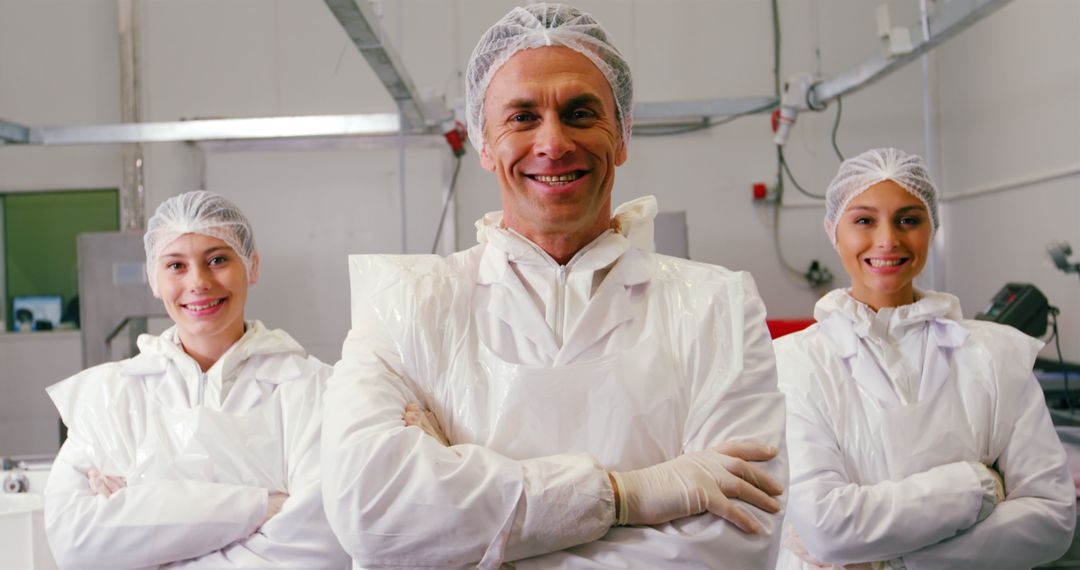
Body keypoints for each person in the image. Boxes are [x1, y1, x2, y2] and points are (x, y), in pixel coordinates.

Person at [322, 4, 787, 568]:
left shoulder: (718, 305)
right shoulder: (406, 307)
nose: (553, 142)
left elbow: (733, 550)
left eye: (580, 112)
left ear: (622, 136)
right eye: (521, 117)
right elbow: (371, 517)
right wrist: (625, 496)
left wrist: (466, 522)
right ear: (484, 144)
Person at [774, 148, 1076, 569]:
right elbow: (827, 527)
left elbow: (1052, 518)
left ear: (931, 228)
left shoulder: (996, 354)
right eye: (864, 220)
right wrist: (977, 486)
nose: (888, 240)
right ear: (833, 230)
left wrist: (889, 563)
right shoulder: (794, 363)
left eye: (908, 220)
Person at [44, 191, 349, 569]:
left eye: (218, 259)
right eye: (176, 265)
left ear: (252, 266)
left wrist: (144, 523)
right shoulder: (111, 396)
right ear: (153, 279)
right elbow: (75, 543)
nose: (199, 282)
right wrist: (259, 506)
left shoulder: (312, 389)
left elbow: (318, 549)